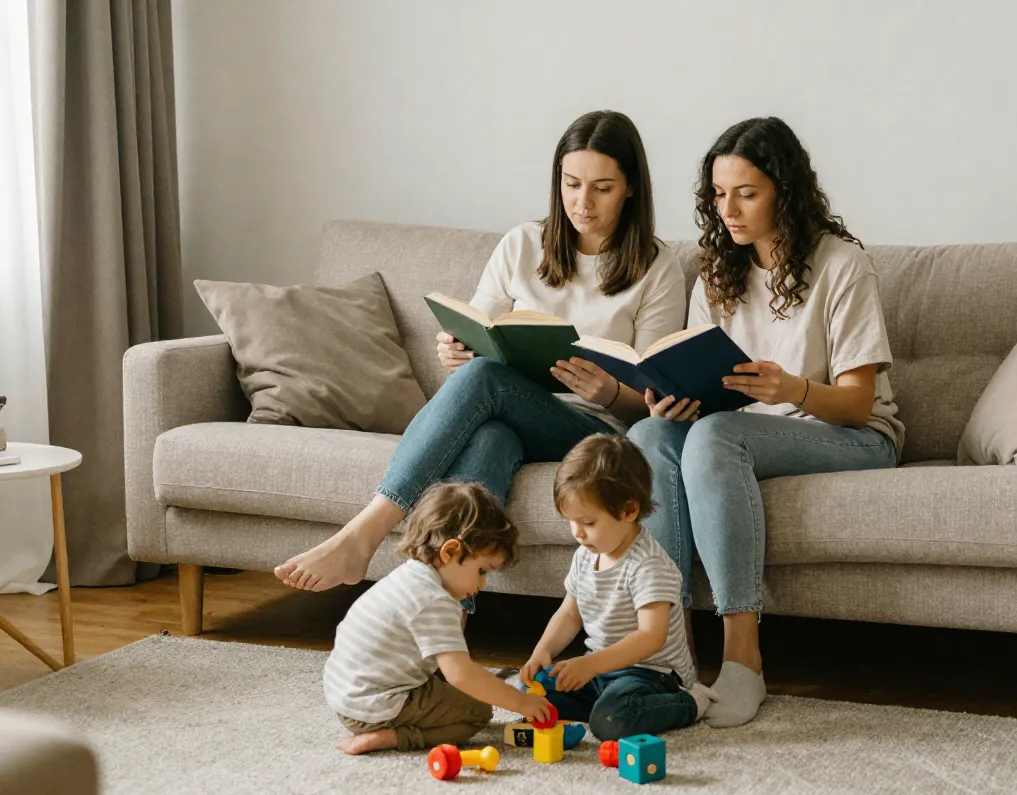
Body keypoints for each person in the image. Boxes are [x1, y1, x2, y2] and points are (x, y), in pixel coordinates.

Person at [275, 110, 686, 594]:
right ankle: (448, 618)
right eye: (571, 184)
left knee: (487, 379)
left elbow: (654, 404)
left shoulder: (658, 268)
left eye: (602, 188)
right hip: (511, 414)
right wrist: (456, 352)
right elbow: (478, 336)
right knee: (490, 437)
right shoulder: (523, 244)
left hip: (595, 433)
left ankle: (364, 532)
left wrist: (611, 391)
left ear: (631, 187)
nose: (582, 202)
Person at [628, 117, 905, 728]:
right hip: (744, 430)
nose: (728, 209)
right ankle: (670, 656)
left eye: (746, 194)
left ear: (785, 190)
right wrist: (673, 402)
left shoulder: (842, 267)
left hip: (855, 438)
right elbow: (713, 394)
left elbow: (860, 404)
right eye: (719, 194)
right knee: (649, 435)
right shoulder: (718, 273)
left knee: (719, 435)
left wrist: (793, 389)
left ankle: (743, 658)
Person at [324, 482, 553, 754]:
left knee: (453, 690)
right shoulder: (435, 600)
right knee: (477, 712)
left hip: (344, 696)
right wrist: (521, 703)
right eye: (482, 571)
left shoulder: (409, 577)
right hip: (374, 706)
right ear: (450, 551)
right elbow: (460, 675)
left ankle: (385, 725)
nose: (482, 584)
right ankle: (393, 737)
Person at [519, 434, 715, 740]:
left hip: (651, 674)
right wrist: (542, 652)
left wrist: (589, 665)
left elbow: (650, 637)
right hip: (600, 671)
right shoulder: (586, 555)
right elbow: (570, 614)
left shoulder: (648, 565)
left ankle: (690, 703)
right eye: (571, 521)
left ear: (629, 511)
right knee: (529, 694)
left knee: (610, 721)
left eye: (588, 522)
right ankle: (605, 704)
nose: (578, 533)